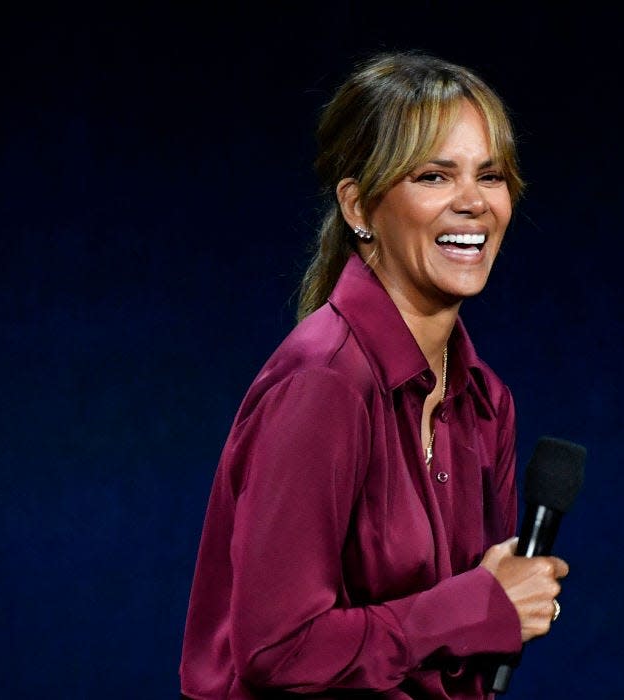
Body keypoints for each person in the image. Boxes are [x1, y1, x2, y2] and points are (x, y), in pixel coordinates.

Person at [178, 50, 570, 699]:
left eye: (491, 175)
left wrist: (493, 611)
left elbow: (467, 665)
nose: (473, 202)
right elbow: (277, 650)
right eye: (434, 176)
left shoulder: (486, 402)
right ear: (360, 205)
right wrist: (476, 606)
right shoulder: (323, 383)